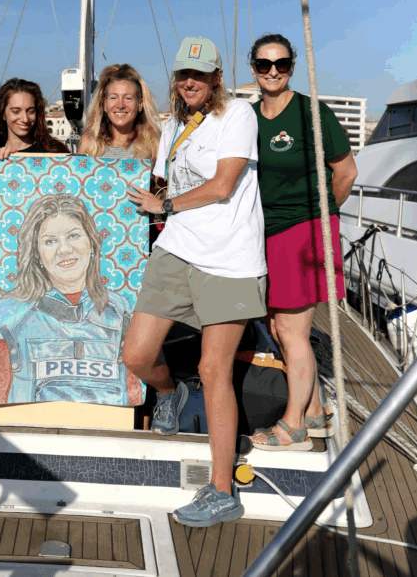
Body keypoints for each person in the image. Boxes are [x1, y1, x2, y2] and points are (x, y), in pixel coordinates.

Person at [124, 37, 266, 527]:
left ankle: (222, 490)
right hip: (176, 249)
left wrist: (164, 205)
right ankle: (169, 393)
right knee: (137, 355)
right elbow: (163, 181)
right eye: (184, 73)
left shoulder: (238, 115)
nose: (190, 82)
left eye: (200, 75)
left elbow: (224, 185)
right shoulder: (173, 125)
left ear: (216, 78)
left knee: (213, 369)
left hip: (229, 260)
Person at [247, 34, 357, 451]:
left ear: (292, 66)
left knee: (293, 331)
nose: (273, 71)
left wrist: (321, 217)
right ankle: (312, 410)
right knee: (277, 326)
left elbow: (345, 172)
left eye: (281, 64)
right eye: (264, 64)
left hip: (303, 230)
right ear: (254, 68)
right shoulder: (249, 116)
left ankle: (293, 427)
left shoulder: (312, 112)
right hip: (264, 232)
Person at [0, 194, 144, 406]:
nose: (64, 249)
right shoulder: (7, 318)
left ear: (92, 243)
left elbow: (134, 396)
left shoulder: (122, 312)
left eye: (73, 236)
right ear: (36, 253)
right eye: (50, 241)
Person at [79, 64, 161, 160]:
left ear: (140, 104)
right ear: (104, 103)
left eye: (128, 98)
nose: (120, 105)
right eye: (113, 98)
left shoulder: (154, 145)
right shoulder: (89, 144)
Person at [0, 78, 69, 158]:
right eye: (16, 111)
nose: (25, 119)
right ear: (3, 114)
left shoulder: (56, 153)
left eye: (31, 111)